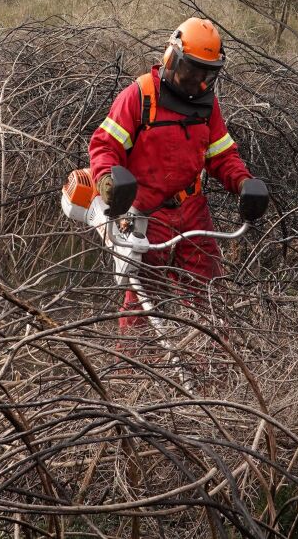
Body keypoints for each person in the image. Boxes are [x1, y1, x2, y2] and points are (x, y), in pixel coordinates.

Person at [80, 17, 268, 331]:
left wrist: (243, 182)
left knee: (210, 297)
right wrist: (108, 181)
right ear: (172, 57)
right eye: (190, 70)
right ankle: (134, 362)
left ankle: (212, 356)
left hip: (192, 211)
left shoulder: (207, 106)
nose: (196, 80)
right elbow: (105, 146)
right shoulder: (141, 96)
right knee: (143, 303)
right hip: (146, 213)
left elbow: (222, 155)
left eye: (205, 73)